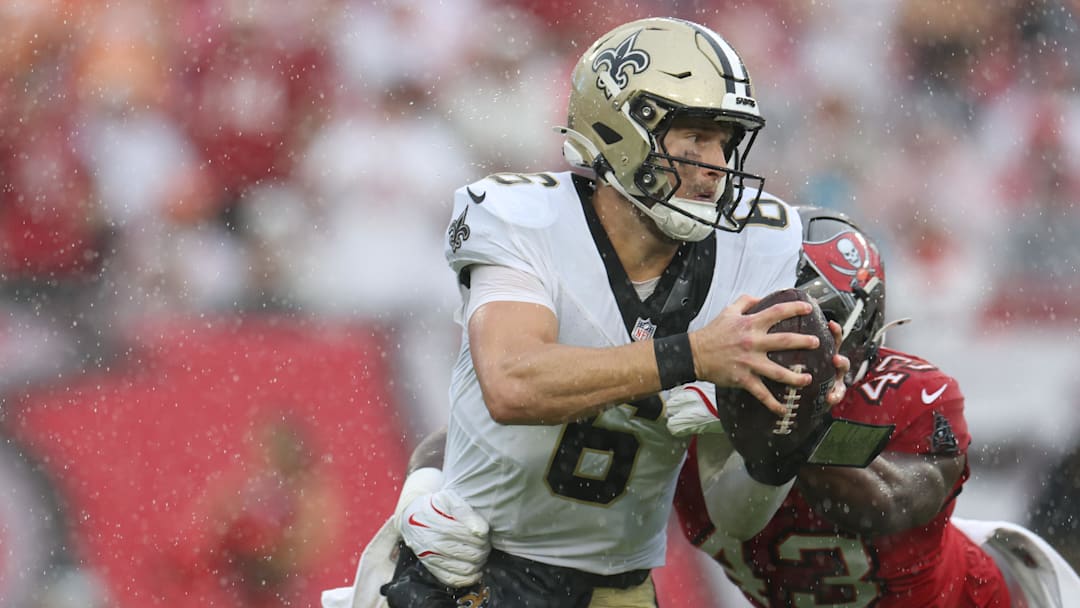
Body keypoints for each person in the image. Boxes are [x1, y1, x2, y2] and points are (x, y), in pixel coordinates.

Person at [362, 16, 851, 608]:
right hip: (471, 570)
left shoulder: (758, 245)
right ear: (621, 127)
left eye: (726, 140)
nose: (715, 163)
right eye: (693, 135)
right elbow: (512, 383)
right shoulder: (524, 217)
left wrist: (784, 441)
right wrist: (690, 358)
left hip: (617, 590)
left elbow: (734, 517)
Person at [671, 206, 1080, 607]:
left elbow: (896, 502)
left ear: (851, 321)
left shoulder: (909, 393)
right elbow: (732, 518)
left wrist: (803, 436)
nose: (763, 340)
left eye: (788, 323)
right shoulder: (690, 409)